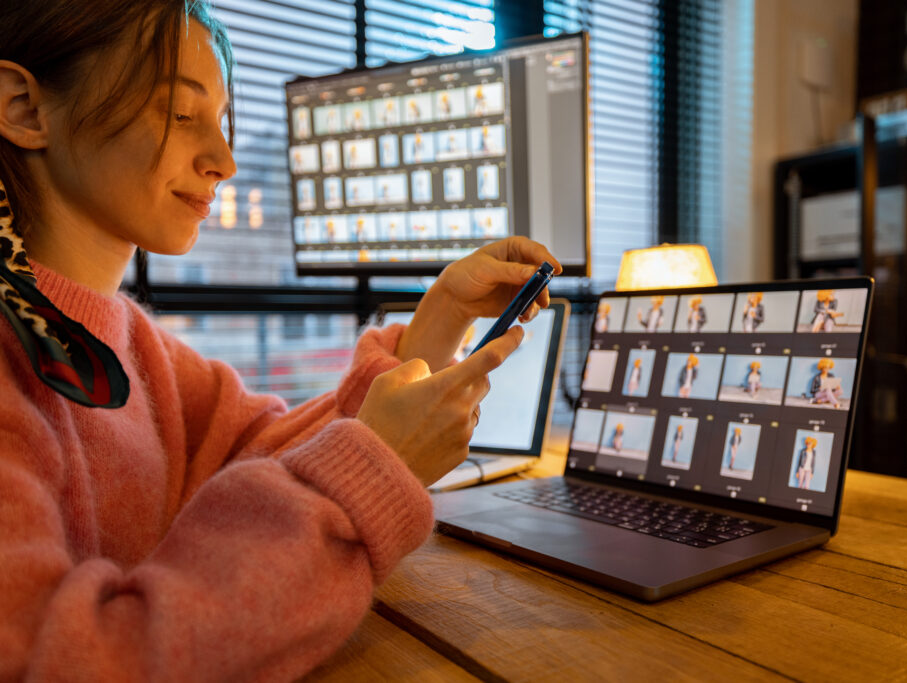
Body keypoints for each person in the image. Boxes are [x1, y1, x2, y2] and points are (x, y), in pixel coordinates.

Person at [0, 2, 562, 679]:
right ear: (25, 108)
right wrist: (374, 463)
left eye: (223, 121)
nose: (225, 160)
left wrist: (436, 325)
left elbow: (267, 450)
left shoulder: (136, 348)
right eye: (182, 115)